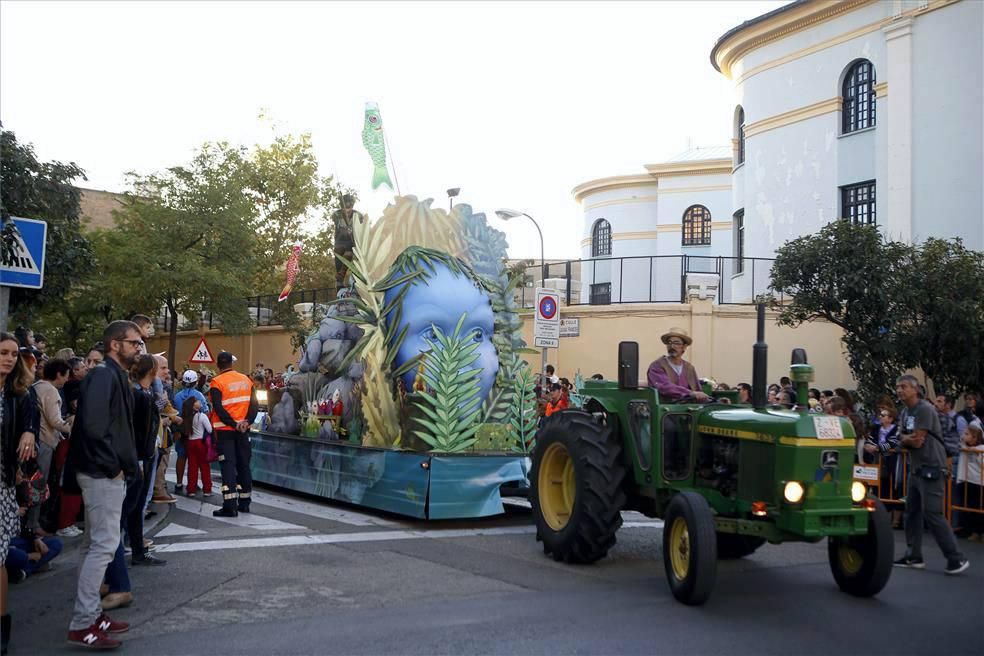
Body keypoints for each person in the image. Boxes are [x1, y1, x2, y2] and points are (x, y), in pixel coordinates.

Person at [64, 320, 142, 649]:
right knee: (103, 546)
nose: (140, 348)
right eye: (134, 342)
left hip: (102, 471)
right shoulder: (103, 376)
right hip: (101, 474)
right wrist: (114, 468)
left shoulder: (112, 375)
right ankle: (84, 623)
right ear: (115, 345)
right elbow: (95, 427)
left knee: (93, 545)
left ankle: (92, 614)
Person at [892, 374, 968, 575]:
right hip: (916, 468)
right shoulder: (905, 412)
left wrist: (904, 439)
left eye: (904, 386)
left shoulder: (925, 409)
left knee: (933, 513)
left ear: (915, 390)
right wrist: (906, 438)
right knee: (912, 512)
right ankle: (913, 556)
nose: (900, 390)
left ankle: (956, 559)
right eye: (898, 387)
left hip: (932, 467)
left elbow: (917, 441)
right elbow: (903, 436)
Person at [0, 332, 39, 656]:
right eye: (3, 352)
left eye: (13, 353)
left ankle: (1, 630)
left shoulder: (20, 396)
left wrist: (28, 432)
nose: (10, 358)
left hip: (2, 483)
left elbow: (31, 425)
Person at [27, 359, 74, 538]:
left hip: (36, 440)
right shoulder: (51, 391)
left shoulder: (37, 386)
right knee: (39, 484)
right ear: (59, 374)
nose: (66, 380)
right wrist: (73, 427)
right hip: (45, 442)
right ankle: (34, 524)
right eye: (66, 376)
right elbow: (55, 421)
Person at [209, 351, 258, 517]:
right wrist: (246, 422)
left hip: (225, 432)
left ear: (218, 365)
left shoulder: (216, 382)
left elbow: (218, 408)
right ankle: (245, 503)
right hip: (243, 430)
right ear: (232, 362)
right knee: (244, 464)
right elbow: (254, 406)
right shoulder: (246, 380)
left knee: (228, 466)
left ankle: (230, 506)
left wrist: (233, 424)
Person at [172, 370, 209, 494]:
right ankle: (192, 483)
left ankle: (178, 482)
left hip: (182, 430)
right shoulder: (199, 396)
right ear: (195, 382)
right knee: (195, 459)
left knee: (181, 456)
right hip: (196, 432)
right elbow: (205, 411)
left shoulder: (177, 396)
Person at [646, 328, 708, 403]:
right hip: (666, 411)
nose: (672, 346)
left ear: (684, 347)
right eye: (669, 343)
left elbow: (698, 392)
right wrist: (690, 393)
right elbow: (664, 387)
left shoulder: (689, 368)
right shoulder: (657, 365)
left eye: (676, 343)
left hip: (688, 411)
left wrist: (715, 401)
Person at [955, 424, 984, 541]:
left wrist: (976, 453)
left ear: (975, 438)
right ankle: (970, 530)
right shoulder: (962, 446)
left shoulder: (982, 448)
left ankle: (979, 531)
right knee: (967, 507)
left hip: (978, 482)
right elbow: (958, 442)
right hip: (964, 479)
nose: (964, 436)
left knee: (978, 508)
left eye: (967, 434)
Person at [181, 397, 213, 497]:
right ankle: (207, 490)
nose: (200, 402)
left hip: (190, 442)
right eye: (198, 401)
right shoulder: (202, 416)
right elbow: (210, 430)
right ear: (194, 405)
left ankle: (191, 489)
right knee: (204, 466)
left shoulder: (186, 417)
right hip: (201, 442)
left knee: (192, 467)